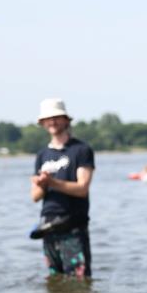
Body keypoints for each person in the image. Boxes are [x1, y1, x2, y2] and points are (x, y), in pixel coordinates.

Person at [30, 98, 95, 279]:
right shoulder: (42, 155)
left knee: (79, 281)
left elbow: (82, 188)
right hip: (48, 226)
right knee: (54, 279)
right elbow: (35, 196)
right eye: (48, 118)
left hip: (73, 224)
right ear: (42, 123)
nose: (52, 122)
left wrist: (52, 183)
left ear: (66, 120)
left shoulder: (81, 149)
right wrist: (42, 184)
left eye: (56, 117)